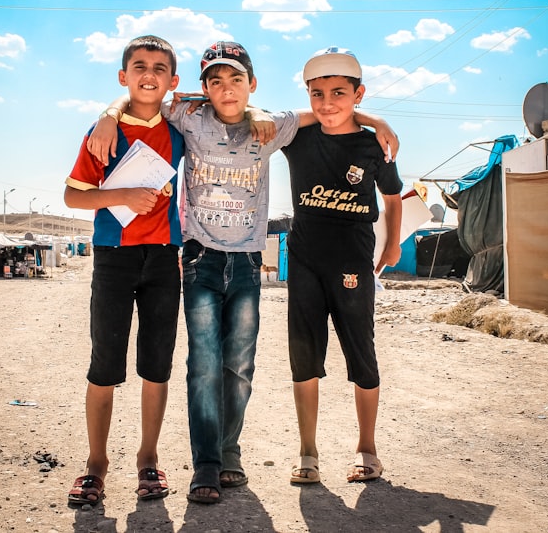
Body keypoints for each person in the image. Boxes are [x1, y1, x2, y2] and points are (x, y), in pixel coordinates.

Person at [88, 41, 399, 505]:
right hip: (199, 259)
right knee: (203, 365)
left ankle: (230, 453)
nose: (226, 88)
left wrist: (377, 120)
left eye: (236, 78)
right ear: (203, 89)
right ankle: (206, 465)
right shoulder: (187, 117)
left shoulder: (271, 126)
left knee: (239, 366)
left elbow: (331, 113)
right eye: (215, 80)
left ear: (251, 85)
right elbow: (142, 98)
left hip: (249, 263)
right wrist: (110, 113)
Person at [62, 34, 185, 507]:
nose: (148, 74)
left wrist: (110, 108)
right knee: (104, 366)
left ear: (171, 81)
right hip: (113, 257)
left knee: (157, 366)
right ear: (123, 76)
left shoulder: (178, 131)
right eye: (138, 66)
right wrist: (122, 196)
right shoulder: (102, 136)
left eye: (158, 68)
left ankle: (148, 459)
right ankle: (96, 465)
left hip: (163, 258)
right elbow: (73, 195)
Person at [282, 47, 403, 486]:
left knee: (361, 354)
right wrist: (373, 115)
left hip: (353, 260)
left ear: (359, 93)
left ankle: (367, 449)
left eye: (339, 93)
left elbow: (392, 197)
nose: (327, 103)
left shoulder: (373, 146)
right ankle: (308, 452)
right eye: (317, 94)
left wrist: (390, 247)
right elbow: (276, 118)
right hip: (304, 260)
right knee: (304, 357)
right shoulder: (297, 138)